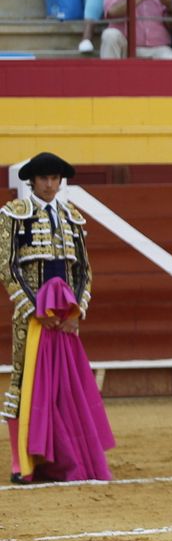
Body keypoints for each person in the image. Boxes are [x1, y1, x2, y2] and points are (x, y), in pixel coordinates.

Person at [4, 152, 115, 486]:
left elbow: (83, 271)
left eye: (55, 179)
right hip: (33, 320)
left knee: (64, 389)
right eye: (44, 179)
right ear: (32, 182)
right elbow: (7, 267)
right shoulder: (14, 216)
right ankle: (21, 463)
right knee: (24, 386)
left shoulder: (72, 218)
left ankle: (63, 459)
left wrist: (75, 313)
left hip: (65, 322)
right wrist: (35, 310)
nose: (50, 185)